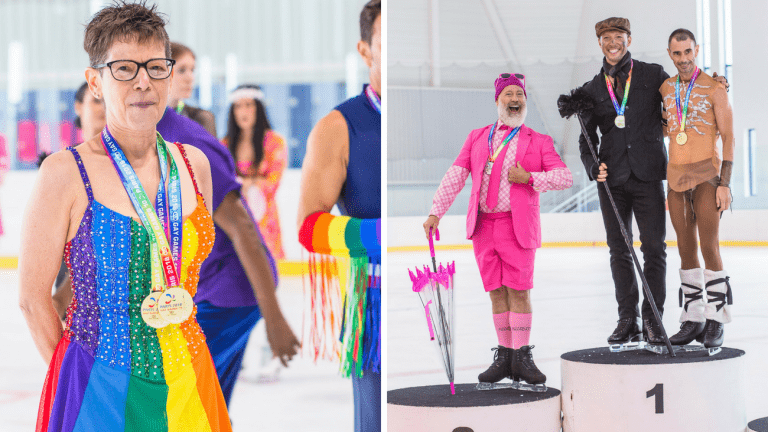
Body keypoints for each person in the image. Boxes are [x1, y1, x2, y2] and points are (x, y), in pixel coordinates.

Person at [19, 4, 231, 430]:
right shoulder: (65, 173)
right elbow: (32, 299)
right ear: (94, 81)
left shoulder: (195, 164)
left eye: (156, 67)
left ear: (169, 76)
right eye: (124, 68)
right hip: (99, 388)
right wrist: (76, 381)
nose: (143, 82)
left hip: (190, 380)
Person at [423, 74, 572, 385]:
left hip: (517, 226)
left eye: (520, 94)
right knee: (496, 293)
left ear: (525, 101)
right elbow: (455, 175)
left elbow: (564, 178)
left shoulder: (538, 141)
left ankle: (522, 355)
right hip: (483, 228)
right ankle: (505, 355)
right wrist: (436, 212)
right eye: (508, 94)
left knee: (519, 291)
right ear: (497, 101)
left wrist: (529, 178)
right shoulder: (477, 137)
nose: (514, 99)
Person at [157, 102, 299, 407]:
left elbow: (244, 230)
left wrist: (274, 319)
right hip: (212, 287)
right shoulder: (152, 144)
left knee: (179, 392)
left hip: (230, 290)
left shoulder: (191, 147)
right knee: (211, 398)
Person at [297, 1, 381, 430]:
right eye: (387, 44)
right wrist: (378, 237)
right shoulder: (337, 127)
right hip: (374, 300)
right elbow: (309, 227)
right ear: (365, 51)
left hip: (431, 289)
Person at [661, 29, 733, 348]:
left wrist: (725, 183)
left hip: (707, 174)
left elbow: (729, 137)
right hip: (676, 177)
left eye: (688, 52)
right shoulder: (666, 88)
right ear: (670, 54)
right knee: (685, 247)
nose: (684, 59)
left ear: (697, 49)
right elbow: (667, 126)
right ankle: (693, 317)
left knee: (709, 245)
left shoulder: (715, 88)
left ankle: (716, 317)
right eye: (677, 54)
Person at [51, 82, 107, 319]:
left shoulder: (134, 162)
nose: (103, 107)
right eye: (96, 100)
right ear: (78, 106)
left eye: (108, 100)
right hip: (72, 291)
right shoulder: (61, 165)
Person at [223, 84, 287, 259]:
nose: (243, 111)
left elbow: (273, 182)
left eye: (249, 105)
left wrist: (246, 184)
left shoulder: (275, 142)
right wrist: (251, 182)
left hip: (266, 221)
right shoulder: (224, 145)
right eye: (238, 106)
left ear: (258, 108)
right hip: (234, 219)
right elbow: (221, 183)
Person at [168, 41, 217, 137]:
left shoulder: (202, 118)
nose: (190, 78)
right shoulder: (145, 120)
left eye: (192, 70)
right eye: (181, 70)